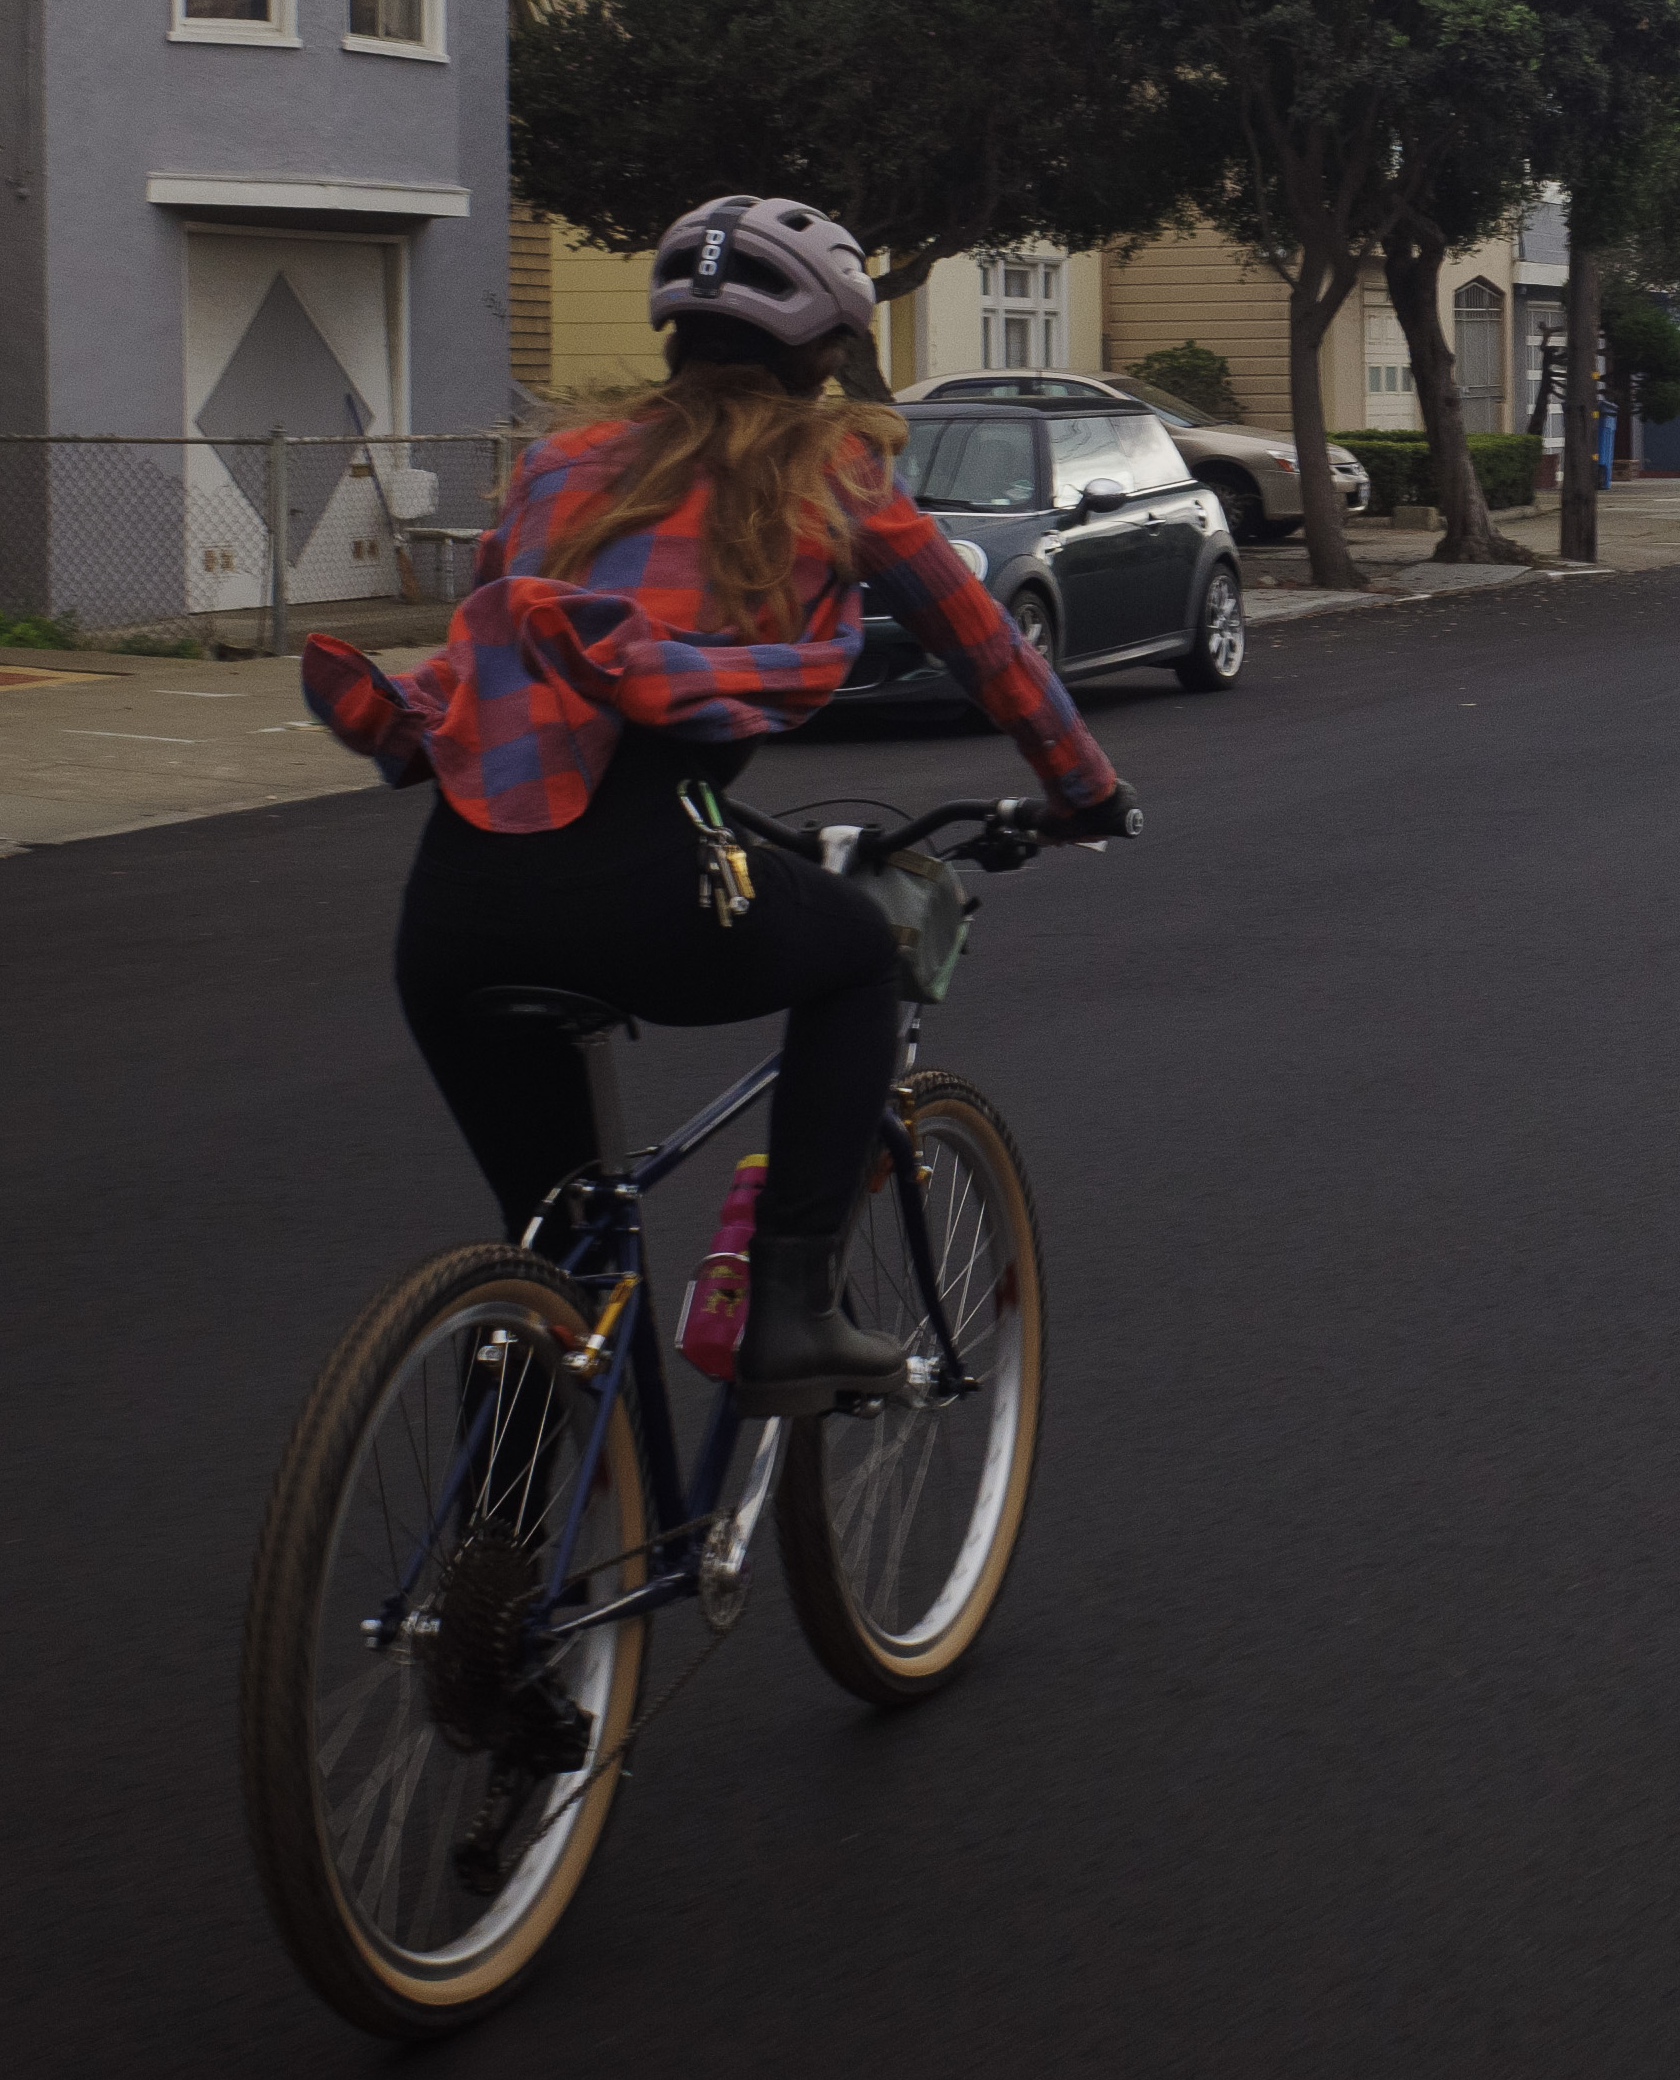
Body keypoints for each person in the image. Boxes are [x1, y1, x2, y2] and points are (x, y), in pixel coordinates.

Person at [301, 193, 1132, 1403]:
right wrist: (1084, 787)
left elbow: (523, 672)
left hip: (455, 903)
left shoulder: (557, 464)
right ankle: (789, 1310)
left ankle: (501, 1557)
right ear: (821, 351)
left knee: (559, 1243)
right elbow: (984, 643)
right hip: (637, 884)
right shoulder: (831, 467)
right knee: (856, 953)